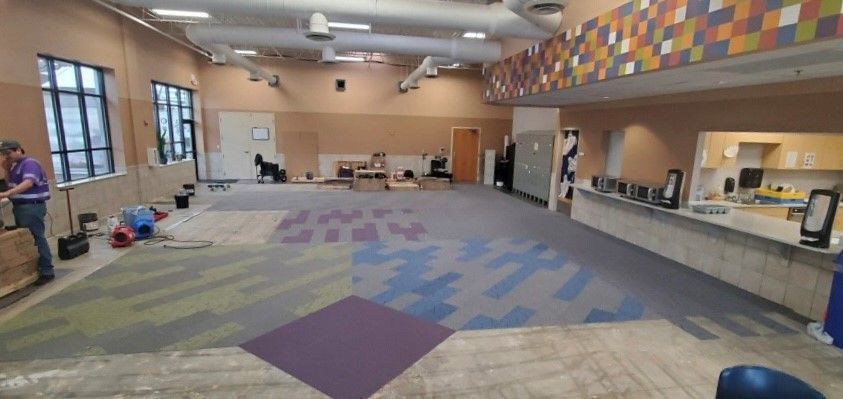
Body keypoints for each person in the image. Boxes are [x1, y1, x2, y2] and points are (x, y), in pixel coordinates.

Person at [0, 139, 54, 285]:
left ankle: (47, 270)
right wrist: (6, 170)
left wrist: (7, 194)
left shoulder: (30, 163)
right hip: (20, 207)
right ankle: (35, 268)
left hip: (31, 207)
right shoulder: (14, 166)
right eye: (3, 154)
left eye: (8, 153)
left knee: (36, 237)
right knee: (28, 239)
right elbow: (10, 184)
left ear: (18, 150)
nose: (6, 157)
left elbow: (28, 183)